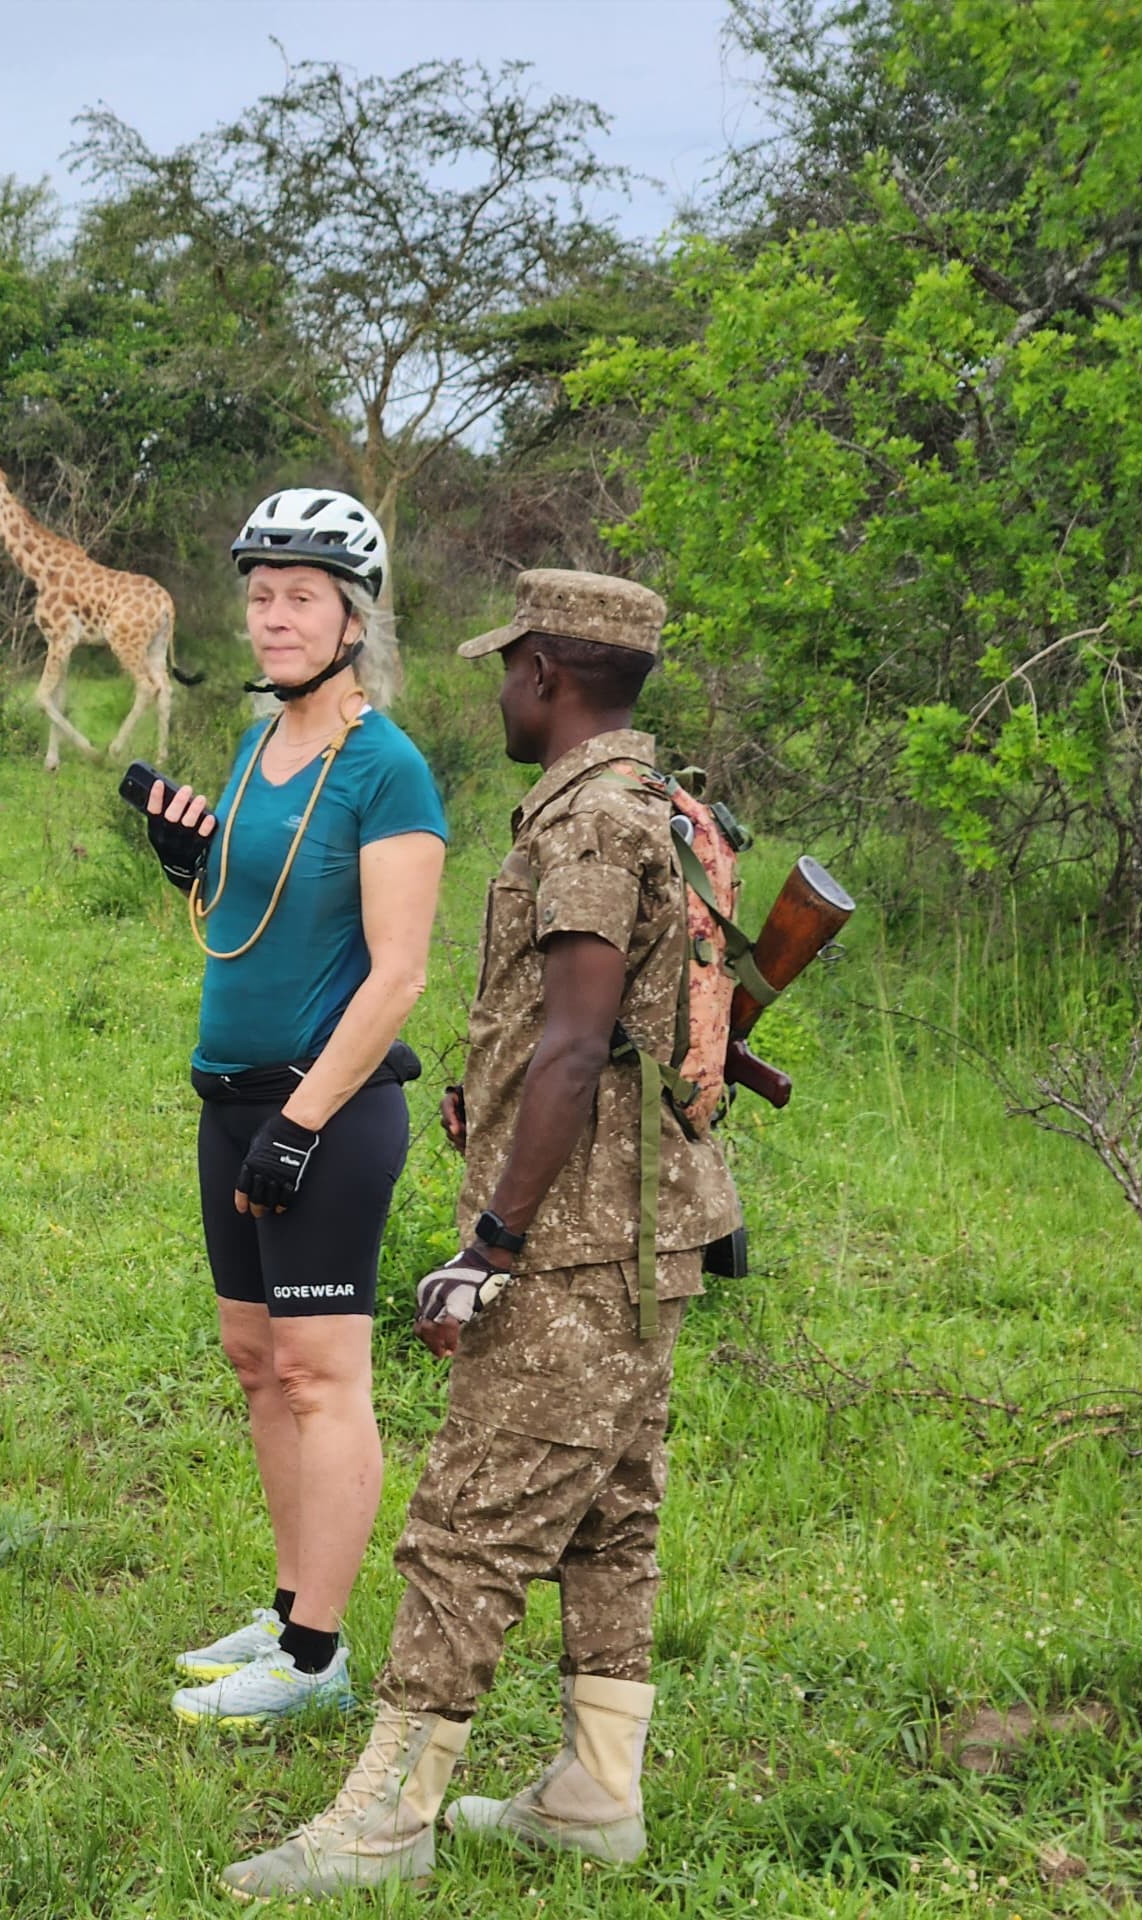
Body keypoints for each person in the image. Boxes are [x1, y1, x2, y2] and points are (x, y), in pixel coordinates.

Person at [218, 569, 742, 1900]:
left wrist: (492, 1244)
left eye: (513, 668)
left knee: (470, 1524)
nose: (499, 688)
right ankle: (594, 1791)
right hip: (650, 1230)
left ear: (553, 677)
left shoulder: (586, 825)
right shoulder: (643, 804)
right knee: (610, 1516)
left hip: (571, 1243)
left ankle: (387, 1816)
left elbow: (574, 1043)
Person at [143, 488, 448, 1729]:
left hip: (322, 1111)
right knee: (257, 1363)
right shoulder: (259, 741)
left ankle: (317, 1660)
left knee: (323, 1375)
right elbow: (251, 909)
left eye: (300, 599)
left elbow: (399, 972)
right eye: (260, 595)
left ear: (352, 618)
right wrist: (191, 862)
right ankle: (284, 1613)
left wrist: (302, 1121)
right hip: (232, 1096)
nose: (272, 619)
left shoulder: (385, 765)